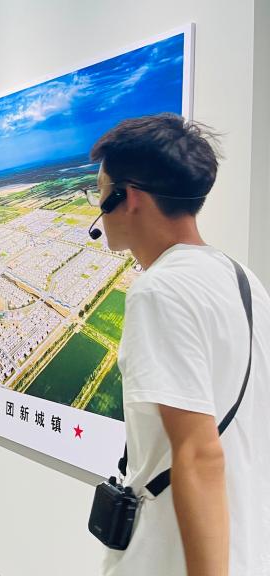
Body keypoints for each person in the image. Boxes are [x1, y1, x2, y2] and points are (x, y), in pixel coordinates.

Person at [88, 114, 270, 576]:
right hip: (244, 543)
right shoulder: (243, 281)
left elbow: (198, 453)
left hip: (173, 555)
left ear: (129, 198)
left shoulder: (159, 290)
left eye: (100, 191)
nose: (98, 207)